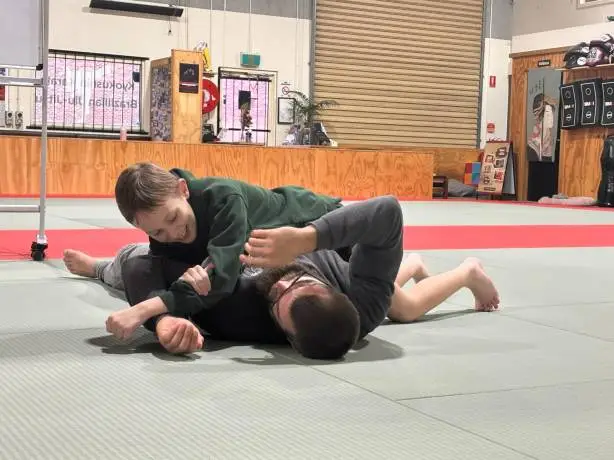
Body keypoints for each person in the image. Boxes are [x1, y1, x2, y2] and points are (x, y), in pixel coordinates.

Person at [93, 195, 500, 359]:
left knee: (122, 264)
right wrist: (307, 238)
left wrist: (163, 320)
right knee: (400, 307)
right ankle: (467, 271)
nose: (282, 279)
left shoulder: (239, 313)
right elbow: (388, 212)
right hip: (301, 229)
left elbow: (141, 266)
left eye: (282, 295)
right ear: (333, 290)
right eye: (301, 283)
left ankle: (91, 265)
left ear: (283, 335)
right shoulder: (363, 307)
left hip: (212, 251)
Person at [64, 161, 348, 330]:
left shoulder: (224, 198)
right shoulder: (161, 229)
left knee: (359, 270)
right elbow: (160, 271)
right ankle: (100, 267)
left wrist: (145, 310)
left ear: (183, 189)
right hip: (246, 253)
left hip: (319, 222)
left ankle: (394, 287)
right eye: (157, 231)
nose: (173, 232)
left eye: (174, 218)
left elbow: (222, 276)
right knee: (136, 258)